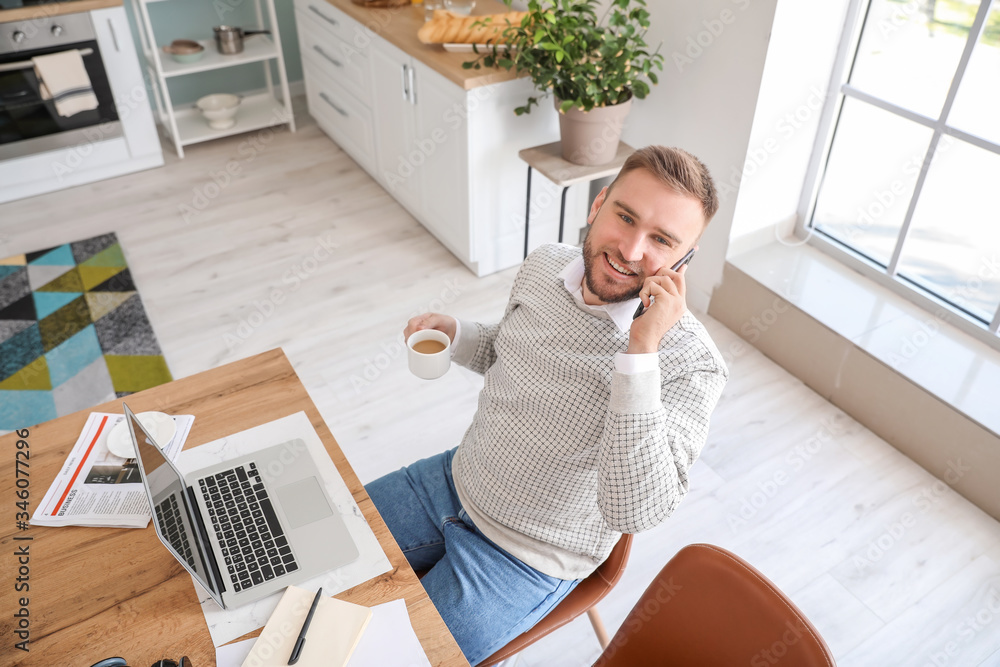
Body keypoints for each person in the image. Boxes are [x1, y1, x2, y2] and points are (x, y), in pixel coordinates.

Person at [365, 145, 729, 665]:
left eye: (661, 240)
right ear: (597, 204)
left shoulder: (692, 363)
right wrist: (459, 333)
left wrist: (641, 351)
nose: (630, 249)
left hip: (523, 559)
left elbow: (634, 509)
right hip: (452, 480)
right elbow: (507, 350)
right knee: (315, 553)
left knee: (390, 658)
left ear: (682, 262)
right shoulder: (545, 265)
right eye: (625, 217)